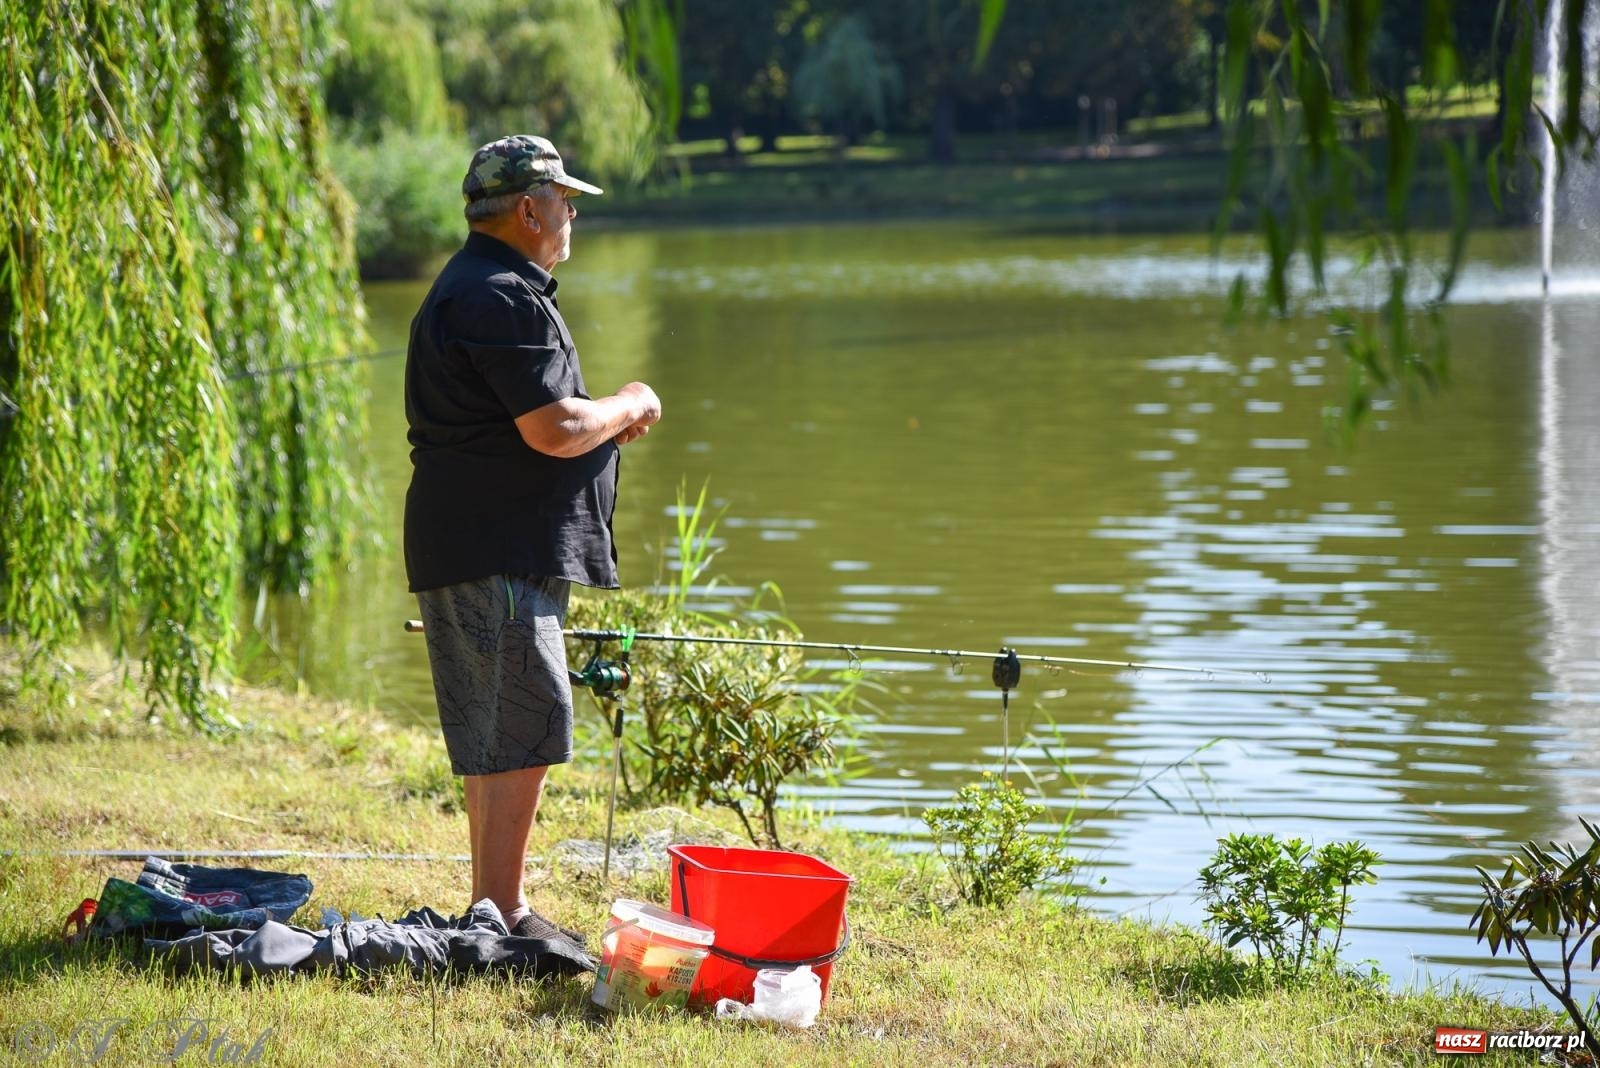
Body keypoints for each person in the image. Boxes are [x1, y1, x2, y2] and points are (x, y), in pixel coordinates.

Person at [403, 135, 660, 942]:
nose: (572, 211)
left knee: (500, 728)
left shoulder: (485, 285)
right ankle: (506, 911)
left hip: (481, 541)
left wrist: (598, 425)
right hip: (496, 546)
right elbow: (554, 427)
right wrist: (628, 404)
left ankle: (490, 905)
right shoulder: (498, 294)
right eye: (564, 198)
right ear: (527, 208)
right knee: (523, 721)